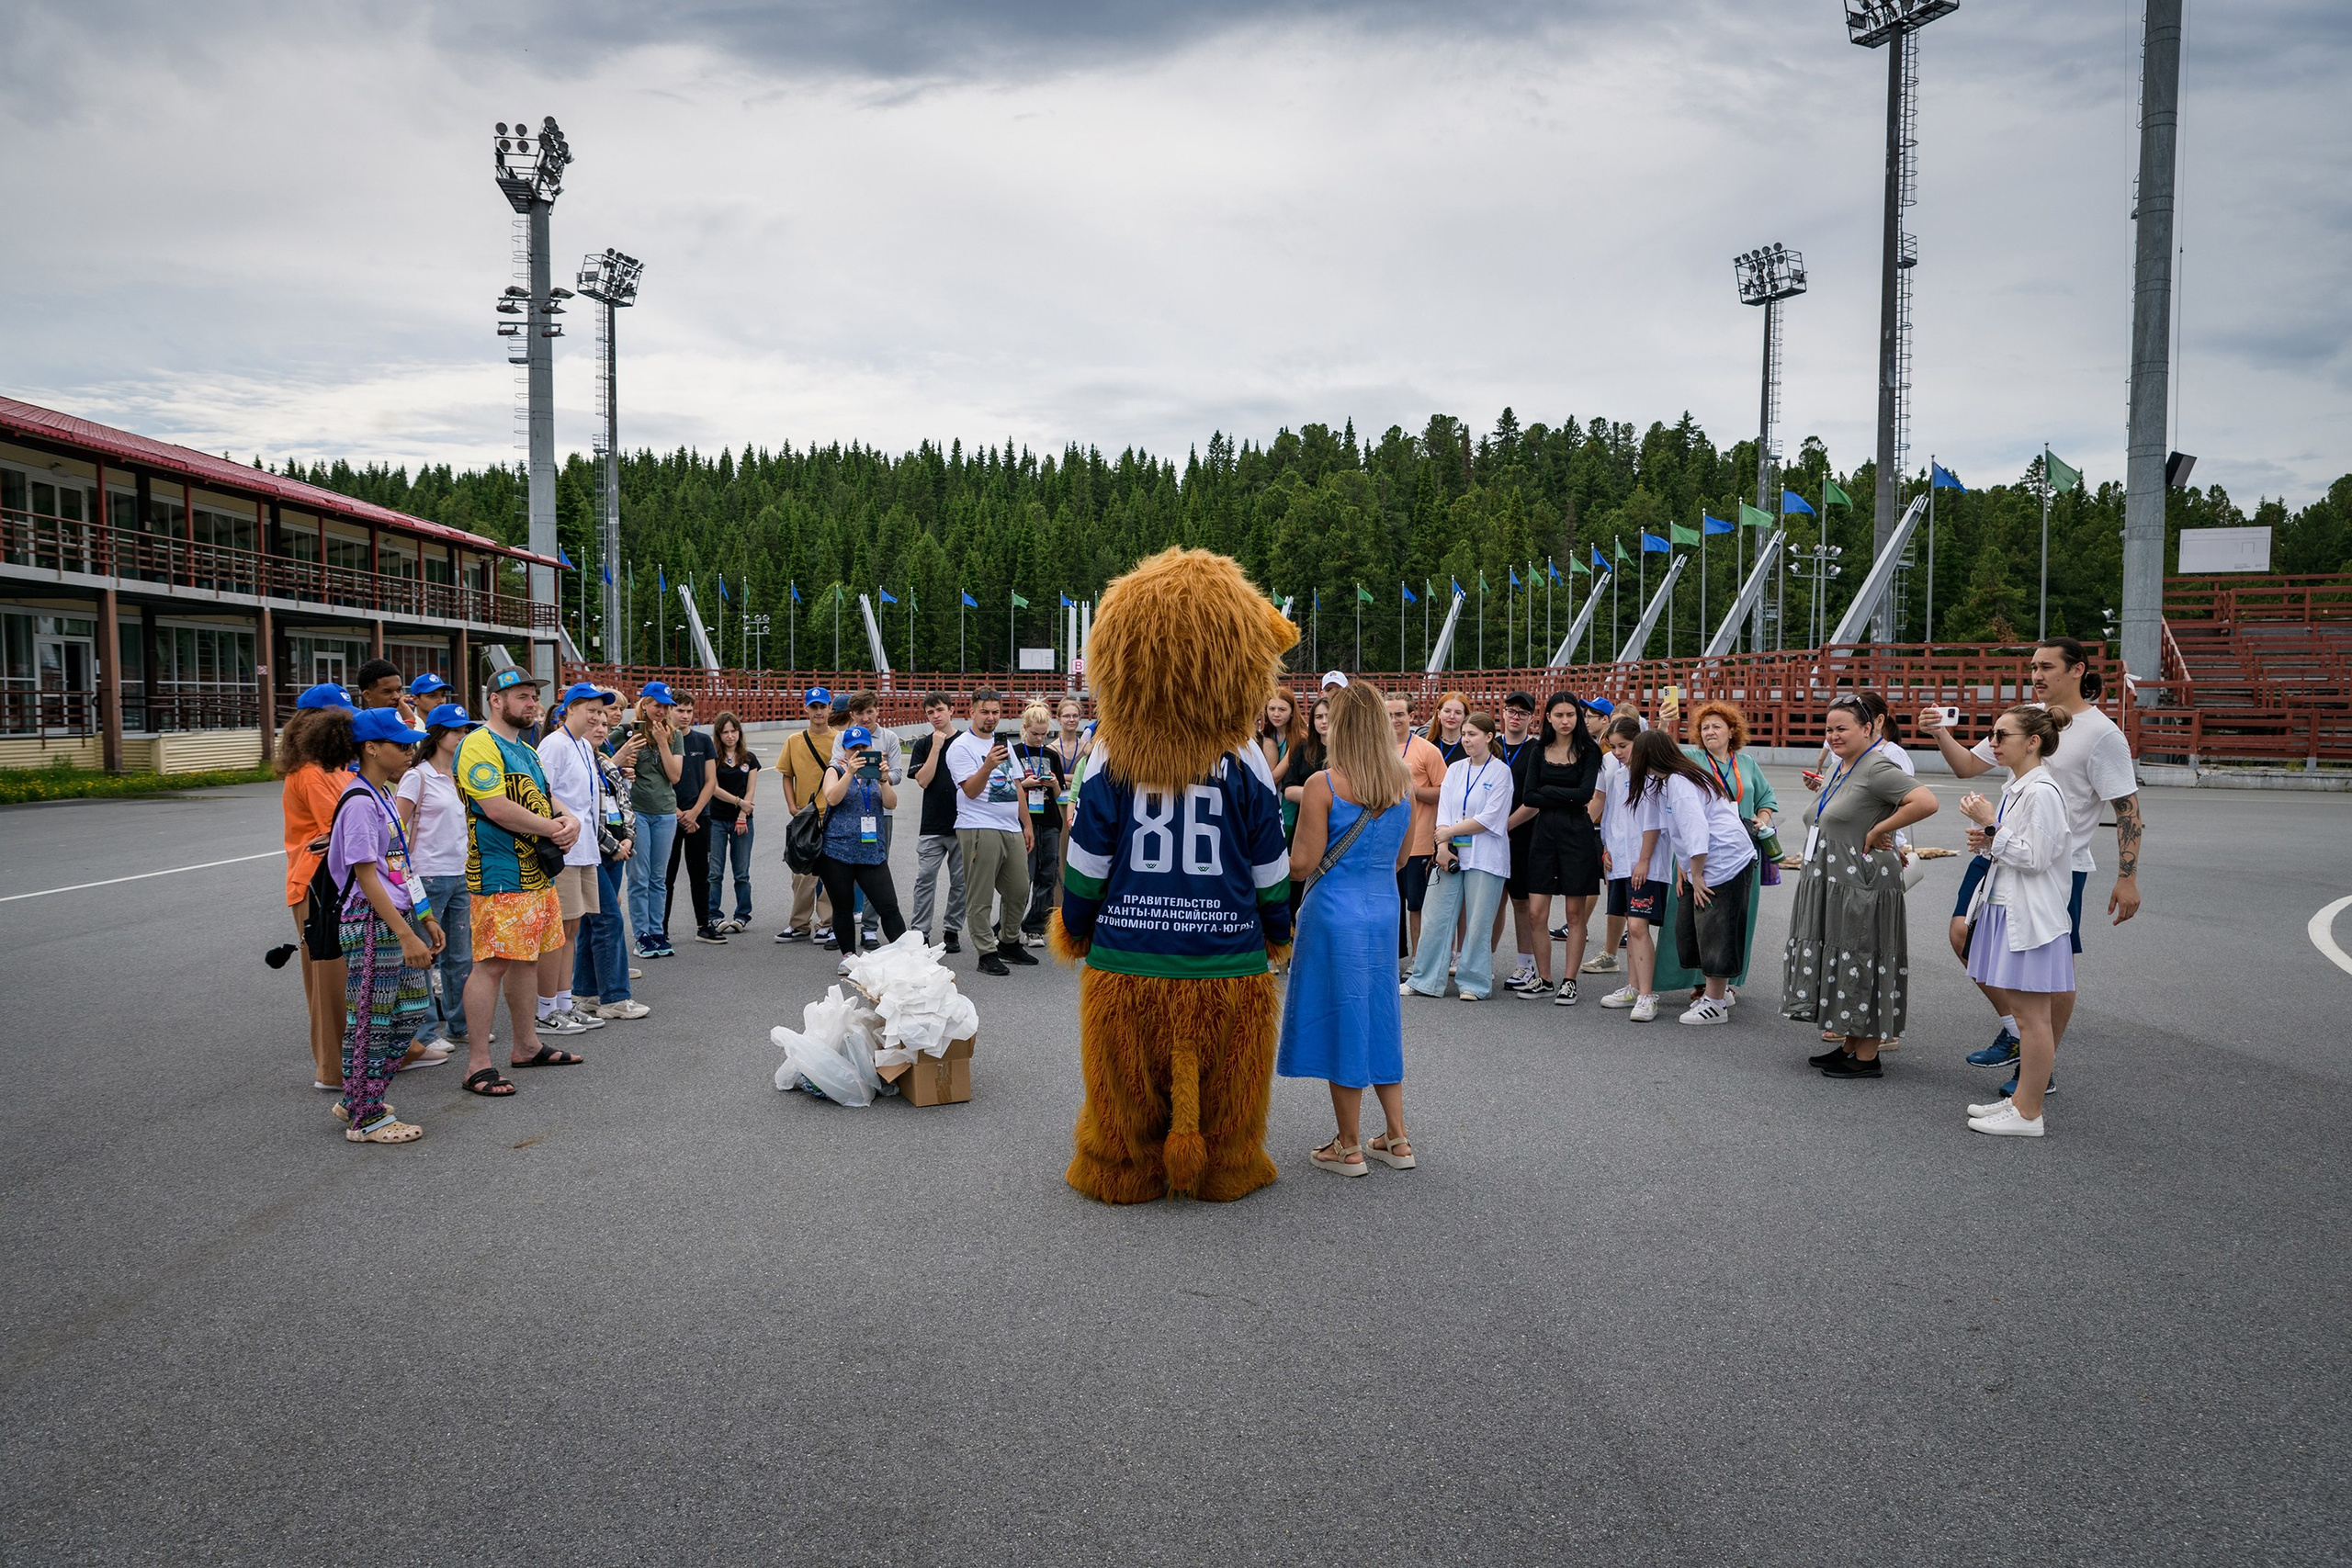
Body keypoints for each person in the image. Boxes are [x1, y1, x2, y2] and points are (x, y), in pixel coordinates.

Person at [1918, 636, 2143, 1100]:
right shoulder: (2026, 718)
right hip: (1998, 850)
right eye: (2033, 667)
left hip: (2057, 866)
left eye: (2046, 666)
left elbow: (2127, 809)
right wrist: (1940, 732)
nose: (2037, 675)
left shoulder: (2103, 735)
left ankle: (2040, 1069)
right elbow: (1967, 767)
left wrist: (2127, 877)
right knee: (1965, 936)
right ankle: (2016, 1030)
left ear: (2078, 669)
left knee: (2053, 969)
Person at [1278, 679, 1416, 1176]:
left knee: (1344, 1021)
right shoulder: (1401, 784)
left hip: (1334, 912)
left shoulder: (1325, 784)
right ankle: (1397, 1138)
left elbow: (1301, 864)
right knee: (1380, 1017)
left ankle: (1349, 1145)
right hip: (1382, 909)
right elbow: (1402, 859)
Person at [1782, 694, 1942, 1077]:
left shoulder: (1877, 766)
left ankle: (1868, 1055)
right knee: (1846, 956)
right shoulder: (1845, 766)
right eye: (1829, 729)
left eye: (1842, 728)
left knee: (1862, 956)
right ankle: (1851, 1043)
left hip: (1862, 882)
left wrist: (1881, 829)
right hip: (1834, 880)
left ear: (1869, 728)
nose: (1833, 736)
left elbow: (1926, 801)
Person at [455, 667, 584, 1098]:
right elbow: (494, 807)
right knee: (491, 963)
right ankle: (477, 1064)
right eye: (524, 697)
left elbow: (546, 796)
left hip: (534, 872)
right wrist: (552, 829)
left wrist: (567, 817)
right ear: (496, 700)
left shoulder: (525, 748)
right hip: (499, 873)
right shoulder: (478, 745)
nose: (533, 704)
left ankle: (526, 1046)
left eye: (534, 696)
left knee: (527, 959)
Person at [1954, 704, 2076, 1136]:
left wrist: (1991, 826)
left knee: (2031, 1020)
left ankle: (2028, 1112)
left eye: (2001, 735)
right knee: (2028, 1018)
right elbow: (2016, 849)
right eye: (1992, 733)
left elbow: (2037, 858)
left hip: (2029, 916)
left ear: (2032, 741)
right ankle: (2023, 1102)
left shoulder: (2042, 790)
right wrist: (1988, 839)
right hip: (2010, 907)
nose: (1992, 742)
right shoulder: (2019, 785)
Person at [326, 706, 445, 1143]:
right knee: (372, 1018)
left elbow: (399, 865)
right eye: (400, 744)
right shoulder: (358, 801)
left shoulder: (382, 795)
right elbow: (366, 875)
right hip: (375, 922)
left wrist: (425, 915)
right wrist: (404, 931)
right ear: (371, 748)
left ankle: (358, 1096)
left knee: (412, 1007)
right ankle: (367, 1115)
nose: (409, 751)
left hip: (399, 916)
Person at [1620, 729, 1761, 1026]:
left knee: (1716, 928)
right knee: (1693, 927)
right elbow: (1674, 830)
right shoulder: (1666, 781)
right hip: (1710, 860)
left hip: (1724, 861)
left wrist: (1696, 875)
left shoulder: (1679, 782)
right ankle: (1715, 994)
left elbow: (1697, 831)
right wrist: (1684, 867)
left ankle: (1716, 1002)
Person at [1656, 701, 1778, 1009]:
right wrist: (1663, 723)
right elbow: (1661, 758)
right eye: (1704, 727)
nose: (1709, 731)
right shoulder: (1693, 758)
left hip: (1740, 849)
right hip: (1699, 851)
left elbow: (1766, 799)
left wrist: (1762, 819)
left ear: (1731, 731)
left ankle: (1727, 983)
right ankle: (1698, 981)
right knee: (1692, 917)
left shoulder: (1747, 763)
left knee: (1736, 917)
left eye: (1716, 726)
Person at [277, 683, 359, 1091]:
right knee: (329, 978)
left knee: (362, 973)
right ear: (308, 723)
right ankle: (331, 1069)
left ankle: (393, 1049)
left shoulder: (337, 768)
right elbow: (343, 829)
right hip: (318, 886)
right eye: (335, 719)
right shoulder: (311, 774)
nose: (344, 726)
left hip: (339, 882)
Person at [1405, 711, 1517, 1000]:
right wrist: (1442, 845)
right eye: (1464, 735)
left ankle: (1474, 983)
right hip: (1450, 854)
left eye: (1473, 735)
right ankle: (1425, 979)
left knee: (1479, 921)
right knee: (1436, 917)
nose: (1466, 740)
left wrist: (1448, 833)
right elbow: (1444, 811)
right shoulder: (1455, 769)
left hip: (1486, 857)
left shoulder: (1501, 772)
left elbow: (1490, 818)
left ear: (1489, 737)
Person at [395, 702, 481, 1053]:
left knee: (462, 957)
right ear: (437, 734)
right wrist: (402, 873)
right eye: (456, 731)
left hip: (461, 874)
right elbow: (396, 830)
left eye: (465, 731)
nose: (462, 737)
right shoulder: (417, 776)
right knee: (425, 956)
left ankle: (461, 1024)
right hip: (426, 876)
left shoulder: (463, 775)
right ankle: (426, 1032)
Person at [1508, 692, 1604, 1002]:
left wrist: (1548, 789)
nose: (1565, 721)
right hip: (1543, 834)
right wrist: (1564, 792)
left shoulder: (1590, 751)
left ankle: (1569, 980)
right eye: (1558, 715)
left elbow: (1585, 793)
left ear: (1578, 717)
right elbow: (1529, 796)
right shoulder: (1538, 750)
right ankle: (1545, 978)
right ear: (1548, 717)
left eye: (1570, 715)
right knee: (1536, 912)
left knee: (1575, 913)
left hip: (1577, 834)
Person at [536, 683, 617, 1037]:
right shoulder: (554, 744)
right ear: (571, 709)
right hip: (564, 850)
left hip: (586, 851)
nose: (598, 717)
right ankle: (545, 1009)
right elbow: (541, 790)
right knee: (557, 932)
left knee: (572, 928)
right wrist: (564, 819)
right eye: (592, 710)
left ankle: (566, 1004)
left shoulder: (585, 745)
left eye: (602, 711)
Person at [948, 690, 1037, 975]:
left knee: (1019, 888)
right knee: (980, 894)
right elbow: (971, 791)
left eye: (996, 712)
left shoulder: (1006, 745)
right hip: (978, 826)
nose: (990, 718)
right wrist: (987, 765)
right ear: (971, 712)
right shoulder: (961, 747)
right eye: (984, 712)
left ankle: (1008, 942)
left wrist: (1027, 824)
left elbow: (1017, 786)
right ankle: (986, 952)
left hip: (1010, 827)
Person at [815, 724, 908, 971]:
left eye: (863, 746)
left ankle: (906, 954)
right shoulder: (834, 770)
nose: (858, 751)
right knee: (843, 907)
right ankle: (848, 956)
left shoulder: (876, 774)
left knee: (888, 905)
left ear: (871, 747)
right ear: (844, 750)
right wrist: (849, 773)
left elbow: (891, 803)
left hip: (871, 852)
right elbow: (832, 798)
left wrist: (884, 780)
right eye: (853, 747)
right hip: (837, 852)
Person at [576, 699, 648, 1020]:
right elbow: (584, 815)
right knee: (608, 920)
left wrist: (628, 836)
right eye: (594, 723)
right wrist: (613, 845)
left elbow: (624, 801)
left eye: (605, 725)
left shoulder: (604, 762)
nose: (600, 729)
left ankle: (586, 992)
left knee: (594, 923)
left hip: (617, 848)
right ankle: (615, 997)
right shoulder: (577, 761)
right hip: (594, 850)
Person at [614, 681, 684, 959]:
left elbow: (675, 776)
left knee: (659, 877)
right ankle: (642, 934)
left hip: (666, 811)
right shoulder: (626, 732)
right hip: (637, 811)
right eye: (657, 705)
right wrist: (624, 761)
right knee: (639, 877)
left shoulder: (674, 734)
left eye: (666, 706)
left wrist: (664, 743)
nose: (662, 711)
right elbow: (604, 760)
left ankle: (657, 932)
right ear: (644, 704)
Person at [829, 691, 902, 944]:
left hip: (877, 819)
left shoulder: (889, 738)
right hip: (841, 837)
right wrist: (851, 771)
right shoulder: (841, 741)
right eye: (860, 713)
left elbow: (896, 779)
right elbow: (833, 788)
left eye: (870, 711)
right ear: (852, 715)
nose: (866, 717)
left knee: (882, 891)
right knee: (842, 897)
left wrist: (883, 777)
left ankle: (871, 929)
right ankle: (841, 941)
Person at [1385, 694, 1449, 962]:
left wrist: (1415, 791)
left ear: (1411, 717)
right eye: (1388, 715)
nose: (1394, 720)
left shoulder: (1426, 750)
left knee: (1417, 905)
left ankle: (1419, 964)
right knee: (1390, 905)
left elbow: (1446, 792)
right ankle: (1392, 961)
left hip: (1418, 841)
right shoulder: (1377, 749)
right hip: (1386, 843)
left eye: (1399, 714)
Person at [902, 692, 967, 953]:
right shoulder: (923, 744)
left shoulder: (966, 741)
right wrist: (937, 747)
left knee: (961, 881)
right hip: (932, 824)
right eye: (930, 713)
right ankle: (920, 932)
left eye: (940, 710)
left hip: (963, 821)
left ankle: (952, 929)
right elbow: (923, 780)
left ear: (951, 710)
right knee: (925, 878)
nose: (936, 716)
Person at [774, 688, 837, 943]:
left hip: (833, 812)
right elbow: (787, 775)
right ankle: (799, 924)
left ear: (830, 708)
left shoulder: (840, 739)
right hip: (805, 816)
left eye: (823, 706)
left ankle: (828, 922)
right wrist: (792, 805)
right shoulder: (794, 740)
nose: (818, 712)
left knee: (832, 873)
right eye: (814, 707)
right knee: (801, 873)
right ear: (806, 709)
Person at [662, 693, 723, 944]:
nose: (685, 716)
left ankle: (704, 924)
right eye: (680, 710)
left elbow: (711, 782)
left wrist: (695, 811)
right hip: (668, 815)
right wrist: (678, 812)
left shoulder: (702, 741)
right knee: (667, 876)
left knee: (701, 873)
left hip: (700, 816)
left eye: (689, 711)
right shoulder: (662, 740)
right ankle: (660, 927)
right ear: (670, 711)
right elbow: (659, 780)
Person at [1590, 712, 1645, 999]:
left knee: (1638, 924)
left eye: (1623, 745)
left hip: (1643, 856)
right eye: (1612, 746)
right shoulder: (1610, 764)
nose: (1617, 751)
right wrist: (1604, 844)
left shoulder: (1649, 768)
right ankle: (1633, 985)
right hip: (1615, 851)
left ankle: (1642, 988)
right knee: (1624, 914)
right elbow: (1603, 804)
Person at [1492, 691, 1543, 992]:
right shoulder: (1492, 745)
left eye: (1522, 713)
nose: (1515, 716)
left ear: (1530, 718)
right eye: (1511, 710)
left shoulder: (1537, 750)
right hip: (1489, 834)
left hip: (1522, 834)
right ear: (1503, 712)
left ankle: (1526, 964)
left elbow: (1534, 800)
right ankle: (1483, 960)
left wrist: (1504, 826)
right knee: (1490, 902)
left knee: (1521, 902)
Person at [1575, 696, 1628, 970]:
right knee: (1613, 888)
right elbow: (1599, 797)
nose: (1585, 720)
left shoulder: (1614, 754)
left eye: (1591, 715)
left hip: (1629, 836)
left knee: (1617, 889)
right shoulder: (1604, 756)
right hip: (1608, 832)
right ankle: (1608, 950)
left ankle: (1585, 930)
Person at [1012, 702, 1069, 947]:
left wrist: (1055, 784)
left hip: (1049, 821)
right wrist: (1024, 785)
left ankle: (1034, 927)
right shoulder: (1014, 752)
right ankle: (1009, 926)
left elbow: (1062, 796)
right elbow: (1005, 788)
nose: (1040, 738)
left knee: (1047, 876)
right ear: (1025, 728)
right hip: (1024, 821)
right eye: (1035, 733)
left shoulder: (1051, 755)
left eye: (1044, 734)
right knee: (1022, 877)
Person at [705, 711, 759, 933]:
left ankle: (742, 914)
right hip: (716, 819)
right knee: (714, 872)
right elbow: (713, 788)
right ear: (718, 734)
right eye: (725, 732)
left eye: (733, 731)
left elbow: (751, 790)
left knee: (742, 872)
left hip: (743, 821)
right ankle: (713, 915)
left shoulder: (749, 758)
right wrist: (738, 802)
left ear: (739, 732)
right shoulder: (712, 758)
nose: (730, 736)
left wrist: (742, 815)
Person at [1428, 691, 1470, 763]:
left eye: (1458, 713)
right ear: (1438, 714)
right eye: (1447, 711)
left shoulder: (1470, 747)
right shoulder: (1427, 744)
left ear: (1465, 716)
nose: (1452, 716)